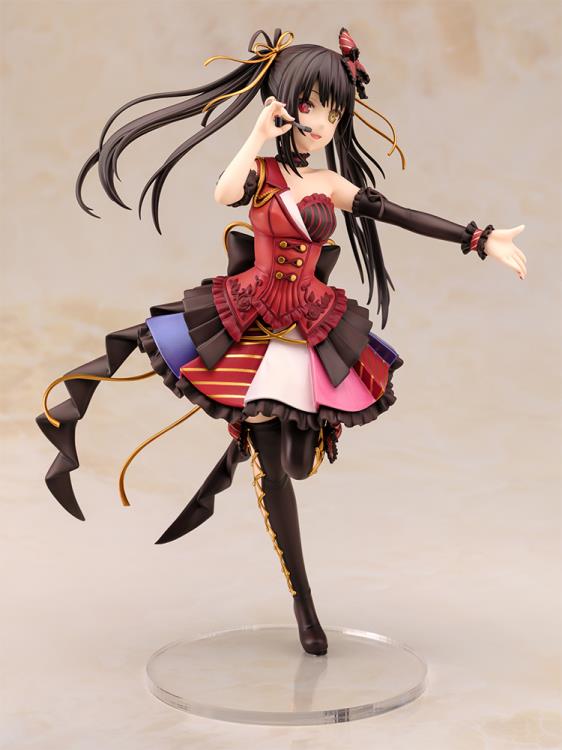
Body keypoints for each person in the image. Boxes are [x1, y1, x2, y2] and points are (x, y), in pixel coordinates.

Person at [37, 28, 527, 656]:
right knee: (273, 464)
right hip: (250, 314)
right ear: (286, 102)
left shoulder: (331, 184)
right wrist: (255, 134)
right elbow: (223, 193)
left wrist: (479, 239)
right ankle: (304, 602)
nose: (322, 123)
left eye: (334, 112)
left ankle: (274, 436)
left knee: (297, 463)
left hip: (308, 323)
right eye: (312, 106)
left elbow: (399, 214)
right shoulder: (262, 171)